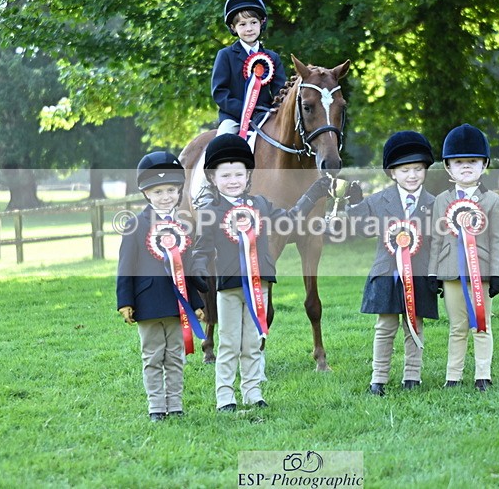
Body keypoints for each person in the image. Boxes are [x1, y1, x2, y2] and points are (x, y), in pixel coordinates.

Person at [190, 134, 330, 412]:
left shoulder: (261, 205)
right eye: (225, 175)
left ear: (248, 176)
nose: (233, 181)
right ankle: (225, 396)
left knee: (253, 342)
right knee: (230, 343)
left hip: (259, 285)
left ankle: (253, 391)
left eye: (238, 174)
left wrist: (312, 194)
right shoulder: (211, 211)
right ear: (213, 179)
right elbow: (202, 249)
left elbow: (289, 220)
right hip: (229, 287)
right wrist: (197, 272)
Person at [343, 131, 440, 396]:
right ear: (392, 173)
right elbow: (359, 227)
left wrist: (437, 275)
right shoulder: (379, 200)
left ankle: (412, 376)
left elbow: (439, 242)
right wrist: (353, 204)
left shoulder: (434, 203)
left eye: (418, 169)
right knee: (385, 327)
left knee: (415, 326)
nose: (412, 175)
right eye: (405, 170)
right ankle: (379, 378)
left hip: (419, 276)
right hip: (387, 274)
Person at [116, 151, 208, 421]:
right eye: (158, 191)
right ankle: (157, 407)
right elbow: (126, 267)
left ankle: (175, 405)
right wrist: (125, 301)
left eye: (170, 190)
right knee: (153, 357)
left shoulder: (183, 226)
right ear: (146, 194)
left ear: (179, 191)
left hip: (178, 305)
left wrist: (197, 303)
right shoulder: (135, 225)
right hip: (147, 303)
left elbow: (187, 269)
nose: (165, 196)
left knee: (176, 357)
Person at [427, 124, 499, 392]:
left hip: (481, 271)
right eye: (459, 162)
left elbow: (498, 240)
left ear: (484, 164)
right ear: (448, 167)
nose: (466, 167)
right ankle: (453, 376)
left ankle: (483, 374)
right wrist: (432, 275)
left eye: (472, 161)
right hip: (450, 271)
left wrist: (497, 273)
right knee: (457, 325)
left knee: (482, 324)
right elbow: (436, 240)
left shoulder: (494, 201)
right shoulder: (441, 200)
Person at [212, 0, 287, 138]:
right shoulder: (225, 55)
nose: (249, 29)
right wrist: (246, 110)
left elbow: (281, 92)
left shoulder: (273, 57)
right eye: (242, 24)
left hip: (265, 116)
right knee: (222, 142)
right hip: (234, 118)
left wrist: (275, 110)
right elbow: (220, 92)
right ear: (233, 28)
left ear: (261, 22)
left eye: (253, 22)